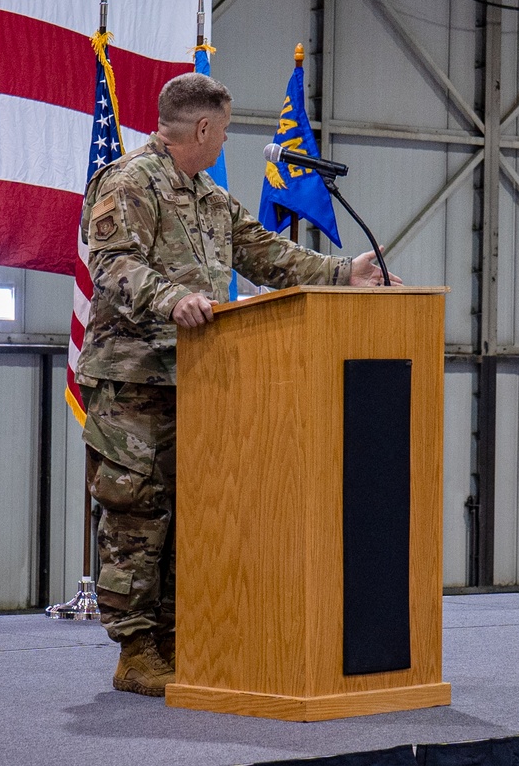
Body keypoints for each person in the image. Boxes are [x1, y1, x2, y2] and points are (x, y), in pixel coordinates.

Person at [76, 72, 399, 696]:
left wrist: (340, 272)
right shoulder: (128, 182)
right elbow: (112, 266)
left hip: (200, 378)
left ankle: (178, 638)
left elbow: (262, 252)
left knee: (193, 515)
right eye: (221, 132)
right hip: (134, 383)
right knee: (136, 513)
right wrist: (172, 299)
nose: (223, 144)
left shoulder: (208, 197)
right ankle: (137, 651)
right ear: (201, 128)